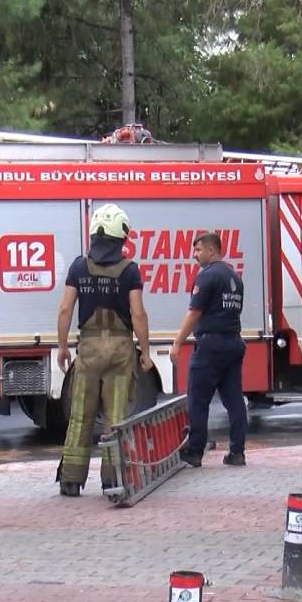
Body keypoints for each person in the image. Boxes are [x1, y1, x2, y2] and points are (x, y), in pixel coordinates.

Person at [55, 203, 153, 497]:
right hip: (121, 349)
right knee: (115, 417)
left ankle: (70, 480)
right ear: (121, 236)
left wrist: (62, 346)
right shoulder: (129, 270)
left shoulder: (78, 267)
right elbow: (138, 314)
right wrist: (145, 351)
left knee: (80, 414)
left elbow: (64, 309)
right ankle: (112, 480)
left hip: (89, 348)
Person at [173, 232, 247, 467]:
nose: (195, 256)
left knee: (198, 398)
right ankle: (237, 452)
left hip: (211, 345)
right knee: (234, 400)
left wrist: (177, 343)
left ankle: (194, 451)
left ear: (212, 250)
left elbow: (194, 313)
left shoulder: (207, 276)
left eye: (198, 250)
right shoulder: (234, 277)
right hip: (233, 342)